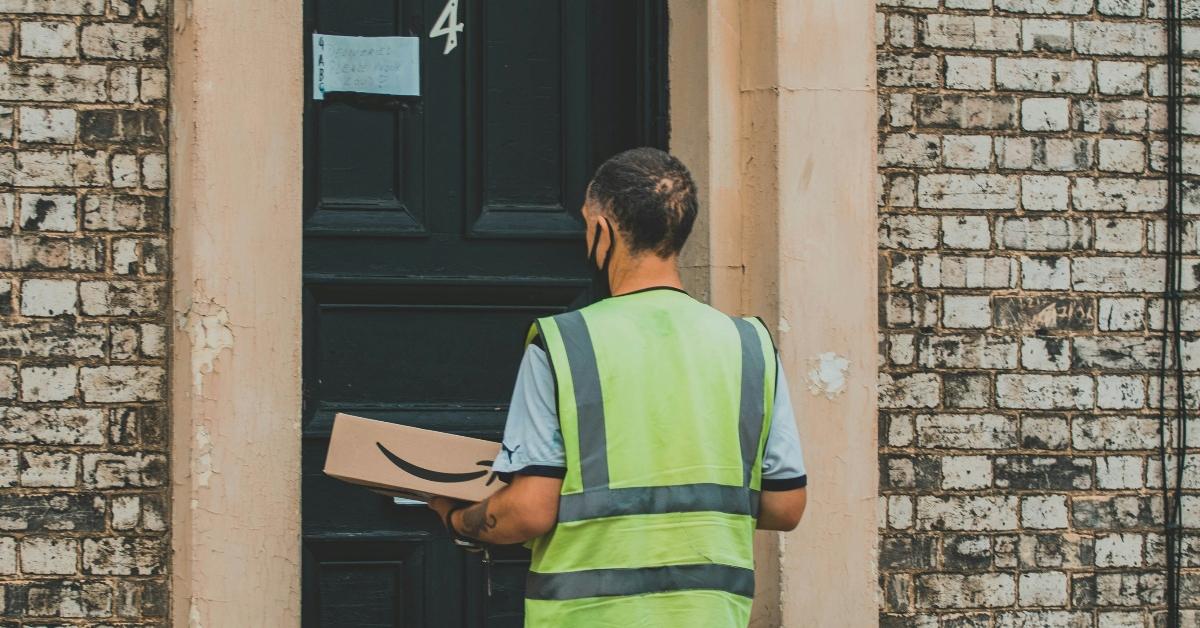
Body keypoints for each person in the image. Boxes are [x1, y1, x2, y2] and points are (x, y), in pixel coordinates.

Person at [429, 147, 808, 627]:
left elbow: (527, 511)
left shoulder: (563, 343)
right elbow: (785, 504)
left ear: (601, 229)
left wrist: (458, 520)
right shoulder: (751, 345)